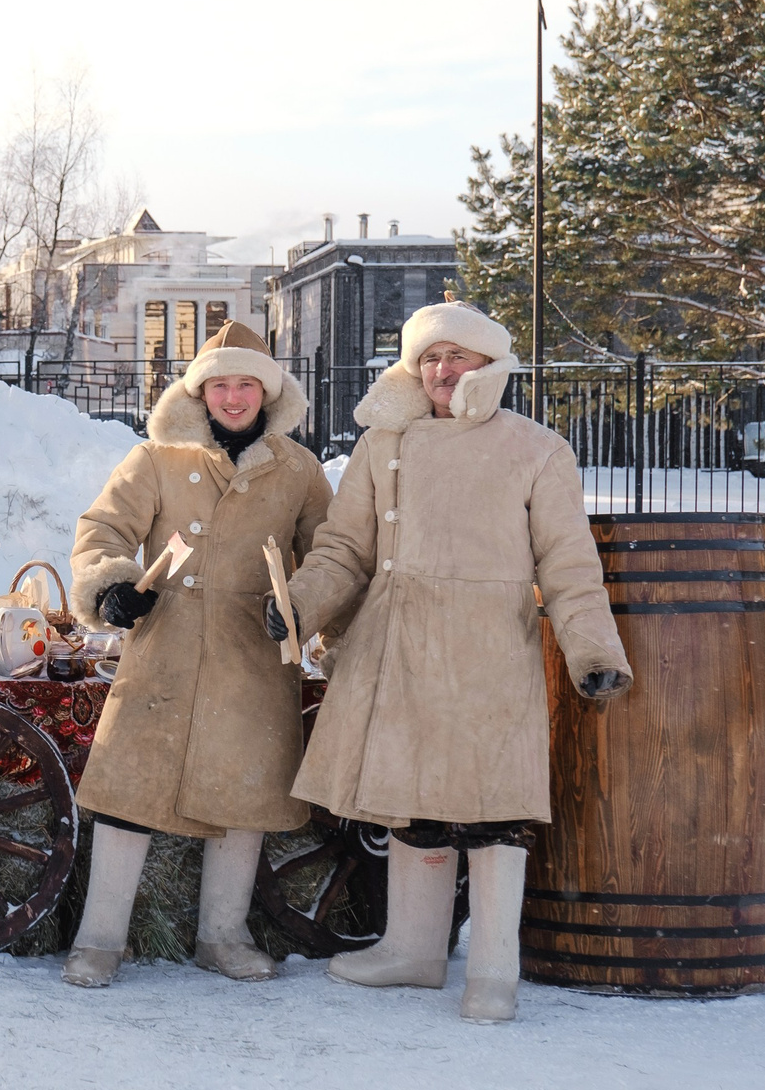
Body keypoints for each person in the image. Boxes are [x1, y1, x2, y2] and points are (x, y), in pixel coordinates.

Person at [267, 301, 631, 1023]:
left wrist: (592, 647)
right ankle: (414, 950)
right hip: (396, 643)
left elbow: (567, 562)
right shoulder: (383, 444)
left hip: (489, 649)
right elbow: (344, 549)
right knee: (412, 801)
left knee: (494, 808)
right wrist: (299, 604)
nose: (442, 369)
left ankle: (495, 971)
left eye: (457, 356)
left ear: (489, 364)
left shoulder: (536, 449)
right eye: (429, 357)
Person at [62, 320, 332, 987]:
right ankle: (99, 940)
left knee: (245, 796)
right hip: (165, 651)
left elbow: (331, 554)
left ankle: (223, 935)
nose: (234, 398)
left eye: (246, 385)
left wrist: (303, 605)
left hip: (253, 654)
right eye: (221, 385)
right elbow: (103, 529)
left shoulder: (298, 470)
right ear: (200, 392)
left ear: (266, 394)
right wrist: (112, 587)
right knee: (131, 793)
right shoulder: (155, 458)